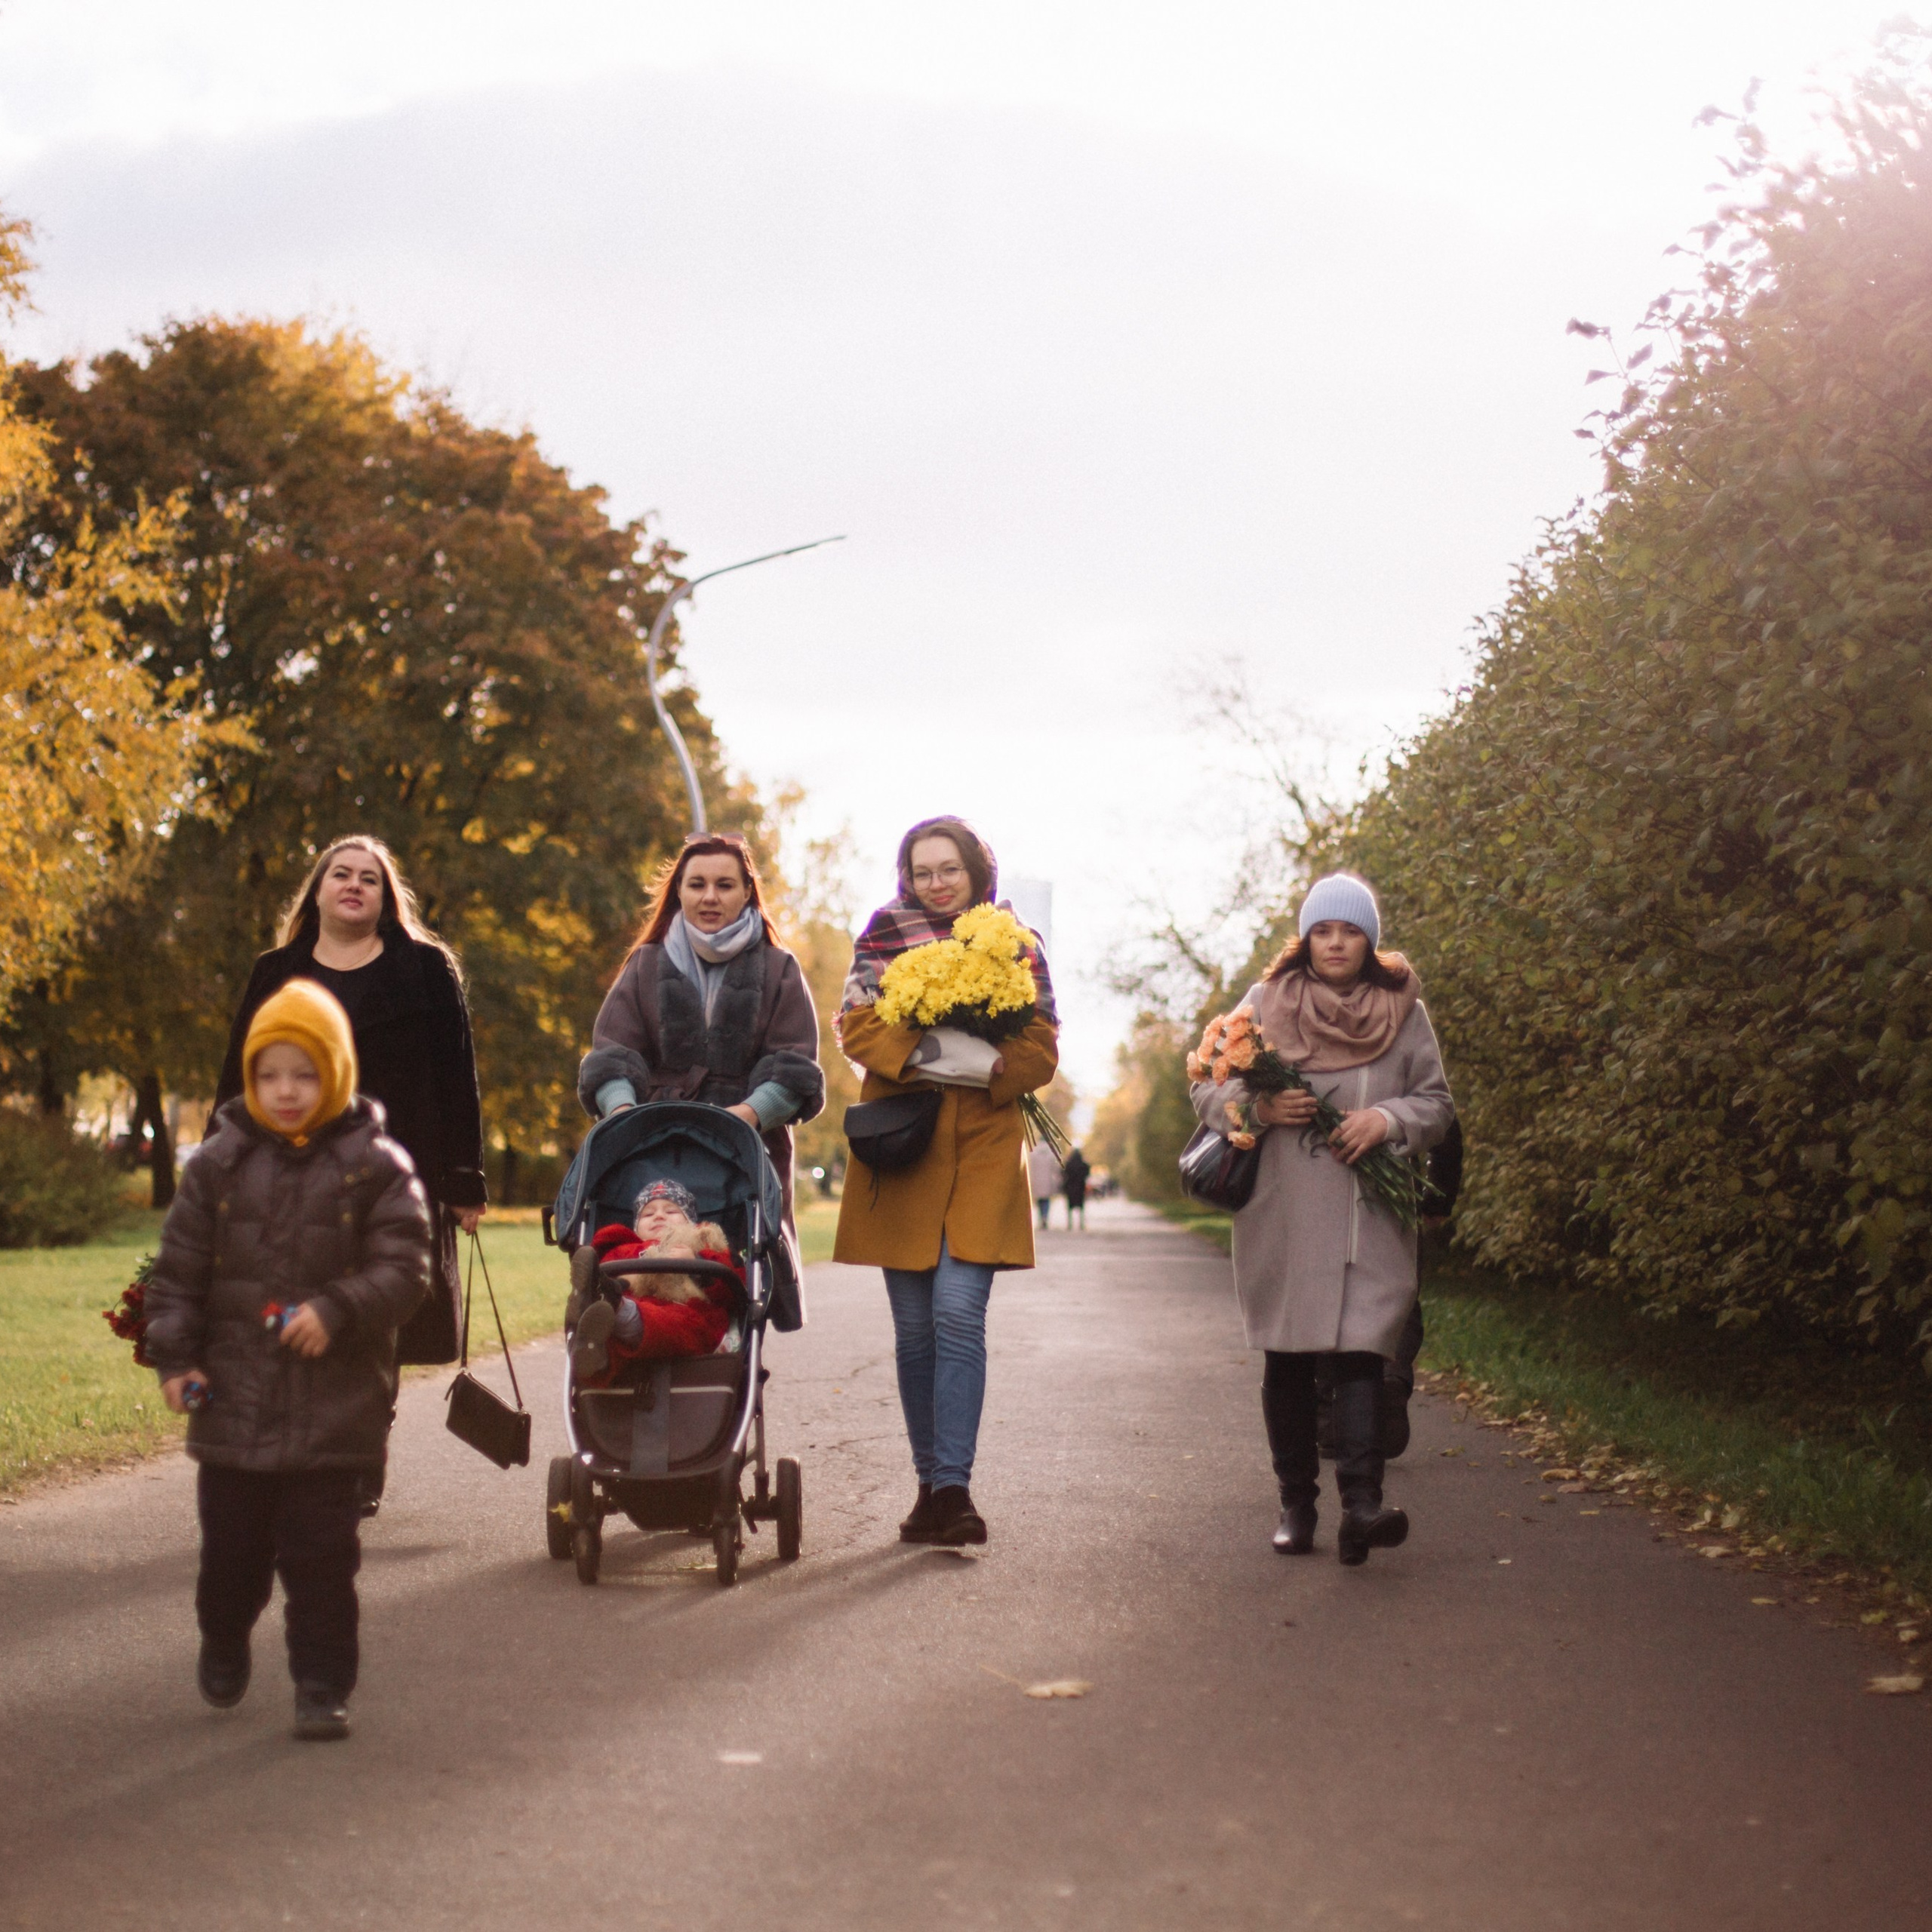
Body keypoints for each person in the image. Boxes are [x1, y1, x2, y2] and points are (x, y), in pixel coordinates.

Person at [145, 980, 432, 1741]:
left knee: (322, 1564)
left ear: (334, 1073)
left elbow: (407, 1267)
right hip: (232, 1402)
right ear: (250, 1077)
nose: (286, 1090)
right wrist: (175, 1358)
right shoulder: (217, 1165)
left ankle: (320, 1683)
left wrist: (339, 1308)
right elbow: (177, 1273)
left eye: (304, 1074)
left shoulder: (375, 1165)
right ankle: (223, 1630)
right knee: (232, 1559)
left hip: (334, 1408)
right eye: (270, 1074)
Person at [1191, 873, 1453, 1567]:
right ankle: (1296, 1506)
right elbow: (1207, 1089)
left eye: (1351, 931)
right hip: (1285, 1210)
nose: (1336, 943)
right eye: (1323, 931)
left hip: (1371, 1213)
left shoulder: (1405, 1010)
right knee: (1291, 1355)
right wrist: (1259, 1110)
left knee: (1366, 1350)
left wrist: (1386, 1119)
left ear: (1371, 940)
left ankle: (1362, 1508)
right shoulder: (1264, 1003)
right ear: (1306, 938)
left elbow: (1436, 1104)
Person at [833, 816, 1060, 1548]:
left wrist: (987, 1067)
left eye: (948, 869)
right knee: (913, 1332)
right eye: (922, 870)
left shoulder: (1017, 943)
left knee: (958, 1313)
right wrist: (936, 1047)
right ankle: (927, 1484)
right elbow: (856, 1026)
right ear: (907, 876)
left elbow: (1040, 1047)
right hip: (904, 1140)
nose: (935, 882)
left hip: (987, 1143)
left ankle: (956, 1488)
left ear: (976, 871)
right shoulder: (882, 931)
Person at [215, 837, 486, 1395]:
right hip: (289, 1171)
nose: (354, 885)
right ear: (316, 893)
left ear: (387, 899)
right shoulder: (275, 972)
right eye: (341, 874)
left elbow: (458, 1076)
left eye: (370, 878)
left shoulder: (426, 969)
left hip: (394, 1176)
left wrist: (464, 1177)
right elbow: (238, 1074)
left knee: (377, 1317)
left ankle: (357, 1445)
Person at [577, 833, 823, 1279]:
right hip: (650, 1140)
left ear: (748, 892)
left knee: (741, 1267)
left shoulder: (778, 968)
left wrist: (746, 1115)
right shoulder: (645, 964)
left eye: (725, 885)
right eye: (697, 884)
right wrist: (624, 1114)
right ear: (679, 891)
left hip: (746, 1145)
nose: (710, 897)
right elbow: (613, 1053)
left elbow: (794, 1067)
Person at [571, 1178, 741, 1379]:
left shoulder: (703, 1247)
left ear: (690, 1222)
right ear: (636, 1227)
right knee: (606, 1323)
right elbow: (608, 1269)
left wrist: (697, 1263)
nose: (659, 1216)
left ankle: (618, 1312)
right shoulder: (623, 1249)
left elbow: (734, 1285)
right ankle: (596, 1335)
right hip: (626, 1303)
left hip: (685, 1310)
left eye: (671, 1211)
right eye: (648, 1214)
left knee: (684, 1324)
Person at [1028, 1136, 1063, 1232]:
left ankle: (1041, 1218)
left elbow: (1030, 1168)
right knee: (1046, 1200)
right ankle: (1045, 1217)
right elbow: (1056, 1169)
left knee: (1039, 1201)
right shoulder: (1051, 1153)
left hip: (1037, 1180)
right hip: (1048, 1180)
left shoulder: (1033, 1152)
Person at [1061, 1145, 1091, 1230]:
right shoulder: (1084, 1164)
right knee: (1081, 1207)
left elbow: (1063, 1173)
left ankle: (1070, 1224)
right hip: (1080, 1187)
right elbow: (1088, 1172)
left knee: (1070, 1207)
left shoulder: (1069, 1163)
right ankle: (1081, 1224)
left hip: (1070, 1187)